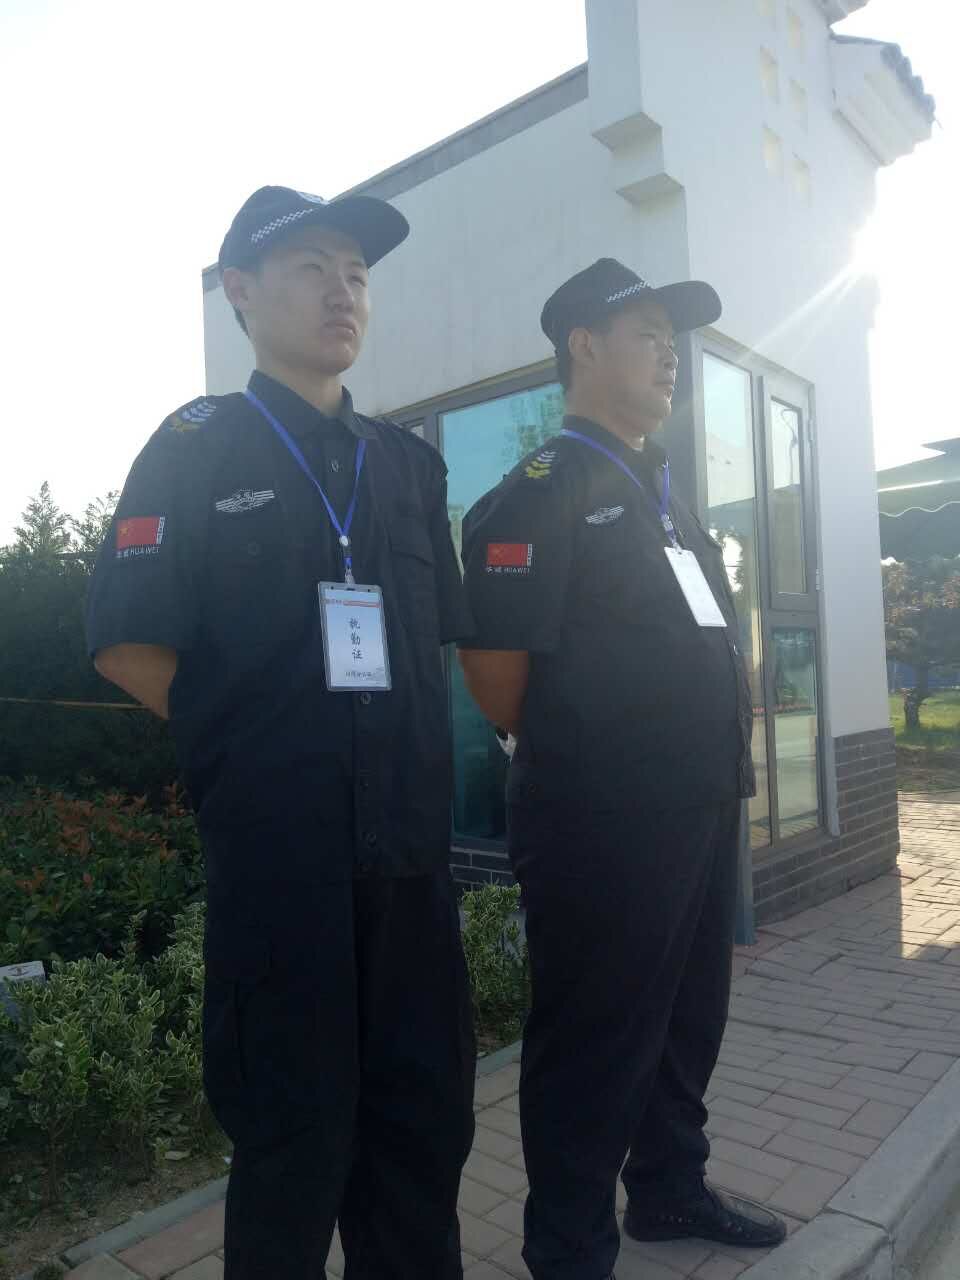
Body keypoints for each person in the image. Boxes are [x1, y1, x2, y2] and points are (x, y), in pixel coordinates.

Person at [86, 185, 476, 1280]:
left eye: (357, 273)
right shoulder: (197, 447)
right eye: (312, 267)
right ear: (243, 291)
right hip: (281, 873)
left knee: (422, 1134)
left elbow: (436, 645)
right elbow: (127, 641)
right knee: (293, 1146)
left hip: (410, 871)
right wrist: (250, 750)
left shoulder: (408, 464)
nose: (343, 291)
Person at [458, 259, 786, 1280]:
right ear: (584, 345)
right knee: (595, 1037)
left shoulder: (663, 496)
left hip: (699, 807)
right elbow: (497, 676)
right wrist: (600, 753)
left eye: (672, 338)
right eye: (646, 332)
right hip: (603, 821)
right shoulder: (540, 493)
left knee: (687, 1018)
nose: (668, 354)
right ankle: (568, 1249)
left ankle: (669, 1188)